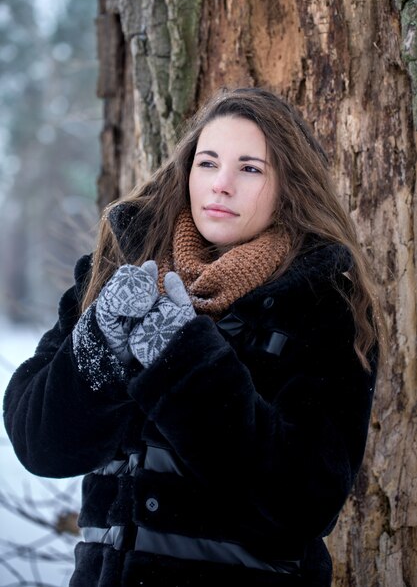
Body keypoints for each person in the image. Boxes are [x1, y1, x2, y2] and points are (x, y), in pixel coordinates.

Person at [3, 87, 385, 587]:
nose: (220, 185)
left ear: (289, 185)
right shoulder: (117, 275)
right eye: (208, 163)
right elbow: (40, 445)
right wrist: (99, 344)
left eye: (250, 168)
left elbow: (304, 502)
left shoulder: (324, 305)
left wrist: (182, 359)